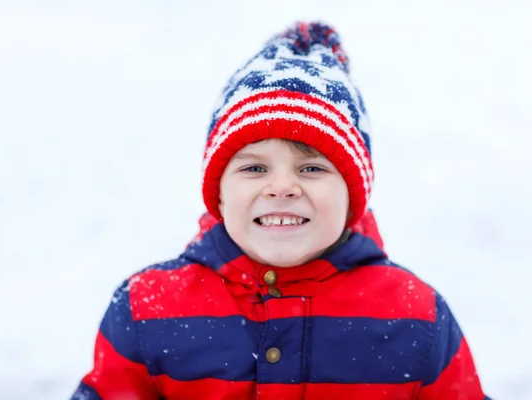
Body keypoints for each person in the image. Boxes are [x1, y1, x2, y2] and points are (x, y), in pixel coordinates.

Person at [70, 21, 490, 400]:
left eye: (311, 167)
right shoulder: (148, 309)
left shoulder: (415, 315)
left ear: (353, 196)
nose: (283, 187)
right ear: (218, 195)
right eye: (254, 168)